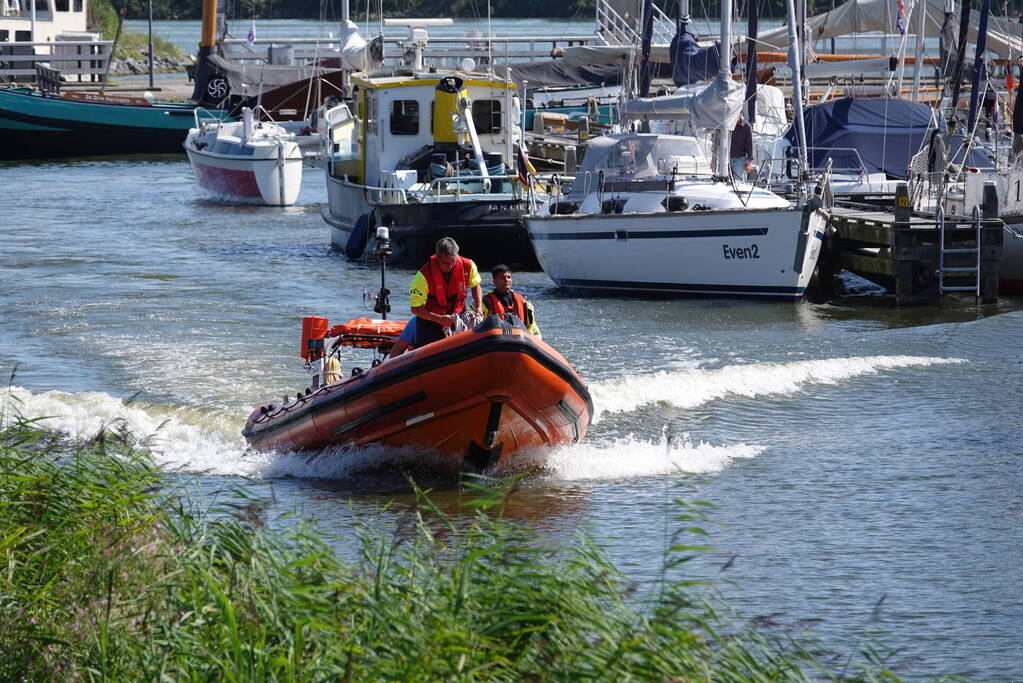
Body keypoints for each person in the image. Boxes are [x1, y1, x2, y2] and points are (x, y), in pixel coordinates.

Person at [408, 237, 483, 348]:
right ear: (438, 258)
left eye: (453, 262)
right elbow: (415, 309)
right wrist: (439, 319)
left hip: (459, 317)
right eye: (445, 263)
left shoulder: (468, 265)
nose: (450, 267)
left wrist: (478, 307)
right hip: (431, 321)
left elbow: (475, 285)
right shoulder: (423, 276)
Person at [481, 265, 541, 338]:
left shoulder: (523, 300)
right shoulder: (485, 302)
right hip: (495, 340)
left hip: (521, 340)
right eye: (502, 278)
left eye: (509, 277)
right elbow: (478, 325)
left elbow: (531, 325)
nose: (507, 280)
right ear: (494, 282)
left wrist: (536, 339)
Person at [729, 113, 754, 182]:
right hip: (727, 159)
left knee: (738, 182)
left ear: (740, 114)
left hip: (740, 159)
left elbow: (750, 146)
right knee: (726, 182)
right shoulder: (727, 125)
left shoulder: (747, 126)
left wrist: (749, 163)